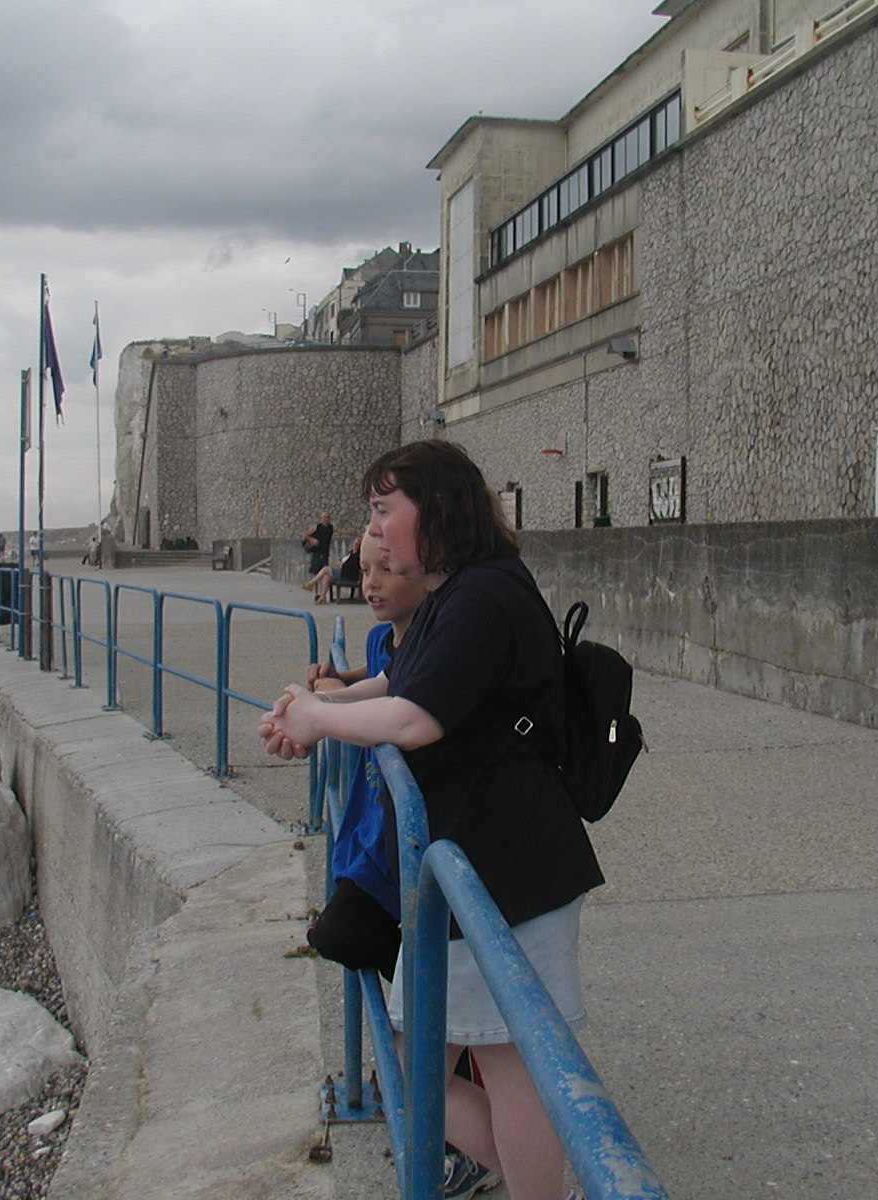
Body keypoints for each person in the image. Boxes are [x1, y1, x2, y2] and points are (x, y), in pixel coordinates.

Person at [260, 440, 602, 1200]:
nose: (375, 530)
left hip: (507, 871)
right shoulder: (464, 591)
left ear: (437, 508)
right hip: (472, 870)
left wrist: (320, 717)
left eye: (384, 509)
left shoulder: (482, 597)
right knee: (420, 1067)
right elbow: (400, 680)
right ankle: (541, 1181)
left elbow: (416, 718)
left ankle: (547, 1188)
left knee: (510, 1070)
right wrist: (315, 707)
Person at [304, 530, 423, 978]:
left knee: (337, 933)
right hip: (370, 818)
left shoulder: (431, 650)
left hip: (390, 830)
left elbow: (392, 695)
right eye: (365, 569)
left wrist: (323, 710)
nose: (370, 583)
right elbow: (377, 674)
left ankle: (427, 987)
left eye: (386, 570)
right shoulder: (379, 638)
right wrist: (338, 678)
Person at [302, 535, 363, 604]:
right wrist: (340, 563)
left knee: (326, 569)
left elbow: (350, 565)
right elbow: (343, 560)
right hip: (342, 571)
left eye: (357, 544)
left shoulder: (357, 555)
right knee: (326, 577)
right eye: (354, 543)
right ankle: (322, 598)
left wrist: (342, 564)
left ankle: (311, 583)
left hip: (347, 575)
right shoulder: (351, 553)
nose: (355, 545)